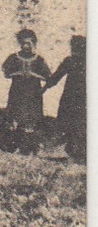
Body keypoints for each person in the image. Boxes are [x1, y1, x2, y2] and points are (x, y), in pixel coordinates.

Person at [2, 29, 53, 154]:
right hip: (17, 91)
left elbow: (48, 76)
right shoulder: (13, 57)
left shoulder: (39, 59)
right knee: (16, 115)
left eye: (29, 43)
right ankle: (14, 145)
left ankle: (32, 147)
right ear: (20, 44)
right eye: (23, 43)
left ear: (34, 44)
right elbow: (6, 73)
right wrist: (19, 73)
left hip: (33, 92)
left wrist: (34, 75)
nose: (26, 46)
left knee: (32, 118)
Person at [46, 35, 86, 164]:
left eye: (79, 48)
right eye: (74, 48)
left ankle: (79, 152)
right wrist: (44, 88)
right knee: (65, 121)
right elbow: (56, 77)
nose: (75, 51)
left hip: (83, 99)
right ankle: (67, 150)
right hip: (69, 98)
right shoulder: (69, 61)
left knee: (80, 124)